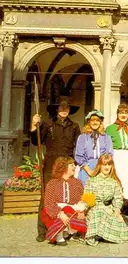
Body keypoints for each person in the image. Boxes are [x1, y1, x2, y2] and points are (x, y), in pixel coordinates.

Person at [30, 97, 81, 242]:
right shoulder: (47, 124)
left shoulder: (74, 126)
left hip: (67, 167)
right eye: (61, 108)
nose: (64, 111)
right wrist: (34, 125)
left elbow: (78, 145)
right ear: (57, 110)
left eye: (66, 108)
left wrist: (75, 165)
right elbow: (35, 140)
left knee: (66, 197)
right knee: (46, 197)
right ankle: (42, 230)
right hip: (51, 166)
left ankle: (64, 230)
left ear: (69, 110)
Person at [84, 154, 128, 246]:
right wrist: (83, 210)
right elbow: (87, 199)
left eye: (109, 165)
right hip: (95, 209)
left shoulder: (114, 182)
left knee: (120, 225)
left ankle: (102, 234)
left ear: (112, 166)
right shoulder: (91, 180)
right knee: (100, 212)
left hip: (109, 208)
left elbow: (118, 199)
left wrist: (117, 210)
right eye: (104, 164)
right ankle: (95, 235)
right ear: (99, 166)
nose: (106, 167)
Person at [40, 157, 86, 245]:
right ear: (63, 167)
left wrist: (81, 210)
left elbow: (81, 199)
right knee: (62, 210)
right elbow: (49, 203)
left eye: (74, 165)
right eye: (71, 165)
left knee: (69, 209)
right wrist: (60, 214)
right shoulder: (52, 183)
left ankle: (67, 231)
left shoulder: (77, 183)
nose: (74, 167)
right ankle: (58, 235)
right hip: (56, 210)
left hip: (72, 210)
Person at [75, 110, 113, 186]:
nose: (95, 122)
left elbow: (108, 154)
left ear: (100, 122)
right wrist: (89, 171)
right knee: (87, 193)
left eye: (97, 120)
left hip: (102, 167)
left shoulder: (106, 137)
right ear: (89, 122)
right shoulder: (83, 137)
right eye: (92, 120)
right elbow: (79, 155)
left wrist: (101, 169)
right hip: (87, 168)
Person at [105, 104, 128, 191]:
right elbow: (107, 144)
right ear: (117, 114)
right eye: (121, 113)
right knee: (116, 175)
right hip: (116, 154)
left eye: (126, 113)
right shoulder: (110, 128)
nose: (123, 115)